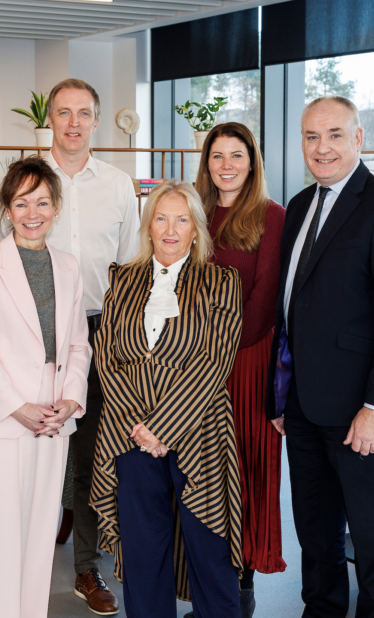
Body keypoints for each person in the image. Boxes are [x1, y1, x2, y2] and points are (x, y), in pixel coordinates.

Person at [0, 78, 139, 616]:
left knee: (92, 454)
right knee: (27, 444)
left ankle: (85, 569)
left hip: (99, 332)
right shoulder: (27, 183)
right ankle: (14, 568)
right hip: (30, 335)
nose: (73, 122)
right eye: (64, 112)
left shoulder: (119, 186)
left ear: (96, 121)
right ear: (48, 119)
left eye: (84, 113)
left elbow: (129, 269)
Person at [266, 96, 374, 618]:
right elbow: (293, 311)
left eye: (334, 135)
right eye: (311, 137)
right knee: (316, 536)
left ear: (358, 139)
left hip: (362, 413)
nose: (321, 147)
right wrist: (283, 394)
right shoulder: (299, 205)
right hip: (305, 409)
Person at [90, 180, 243, 618]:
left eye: (182, 219)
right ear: (149, 227)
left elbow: (215, 362)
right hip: (129, 435)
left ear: (196, 229)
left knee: (208, 550)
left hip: (199, 432)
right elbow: (107, 357)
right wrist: (141, 427)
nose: (171, 229)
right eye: (161, 218)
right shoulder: (122, 280)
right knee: (143, 554)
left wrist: (162, 428)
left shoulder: (220, 281)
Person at [0, 156, 91, 618]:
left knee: (39, 534)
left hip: (54, 418)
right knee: (2, 538)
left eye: (43, 202)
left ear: (56, 207)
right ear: (6, 209)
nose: (33, 213)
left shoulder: (69, 266)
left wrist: (71, 399)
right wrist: (16, 406)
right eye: (22, 203)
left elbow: (78, 343)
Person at [193, 122, 286, 618]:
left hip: (245, 366)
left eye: (237, 155)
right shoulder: (194, 214)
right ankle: (209, 589)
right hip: (191, 366)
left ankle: (240, 593)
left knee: (244, 476)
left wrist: (215, 353)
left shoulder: (273, 217)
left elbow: (265, 301)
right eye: (217, 155)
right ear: (206, 162)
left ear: (253, 162)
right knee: (201, 477)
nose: (226, 164)